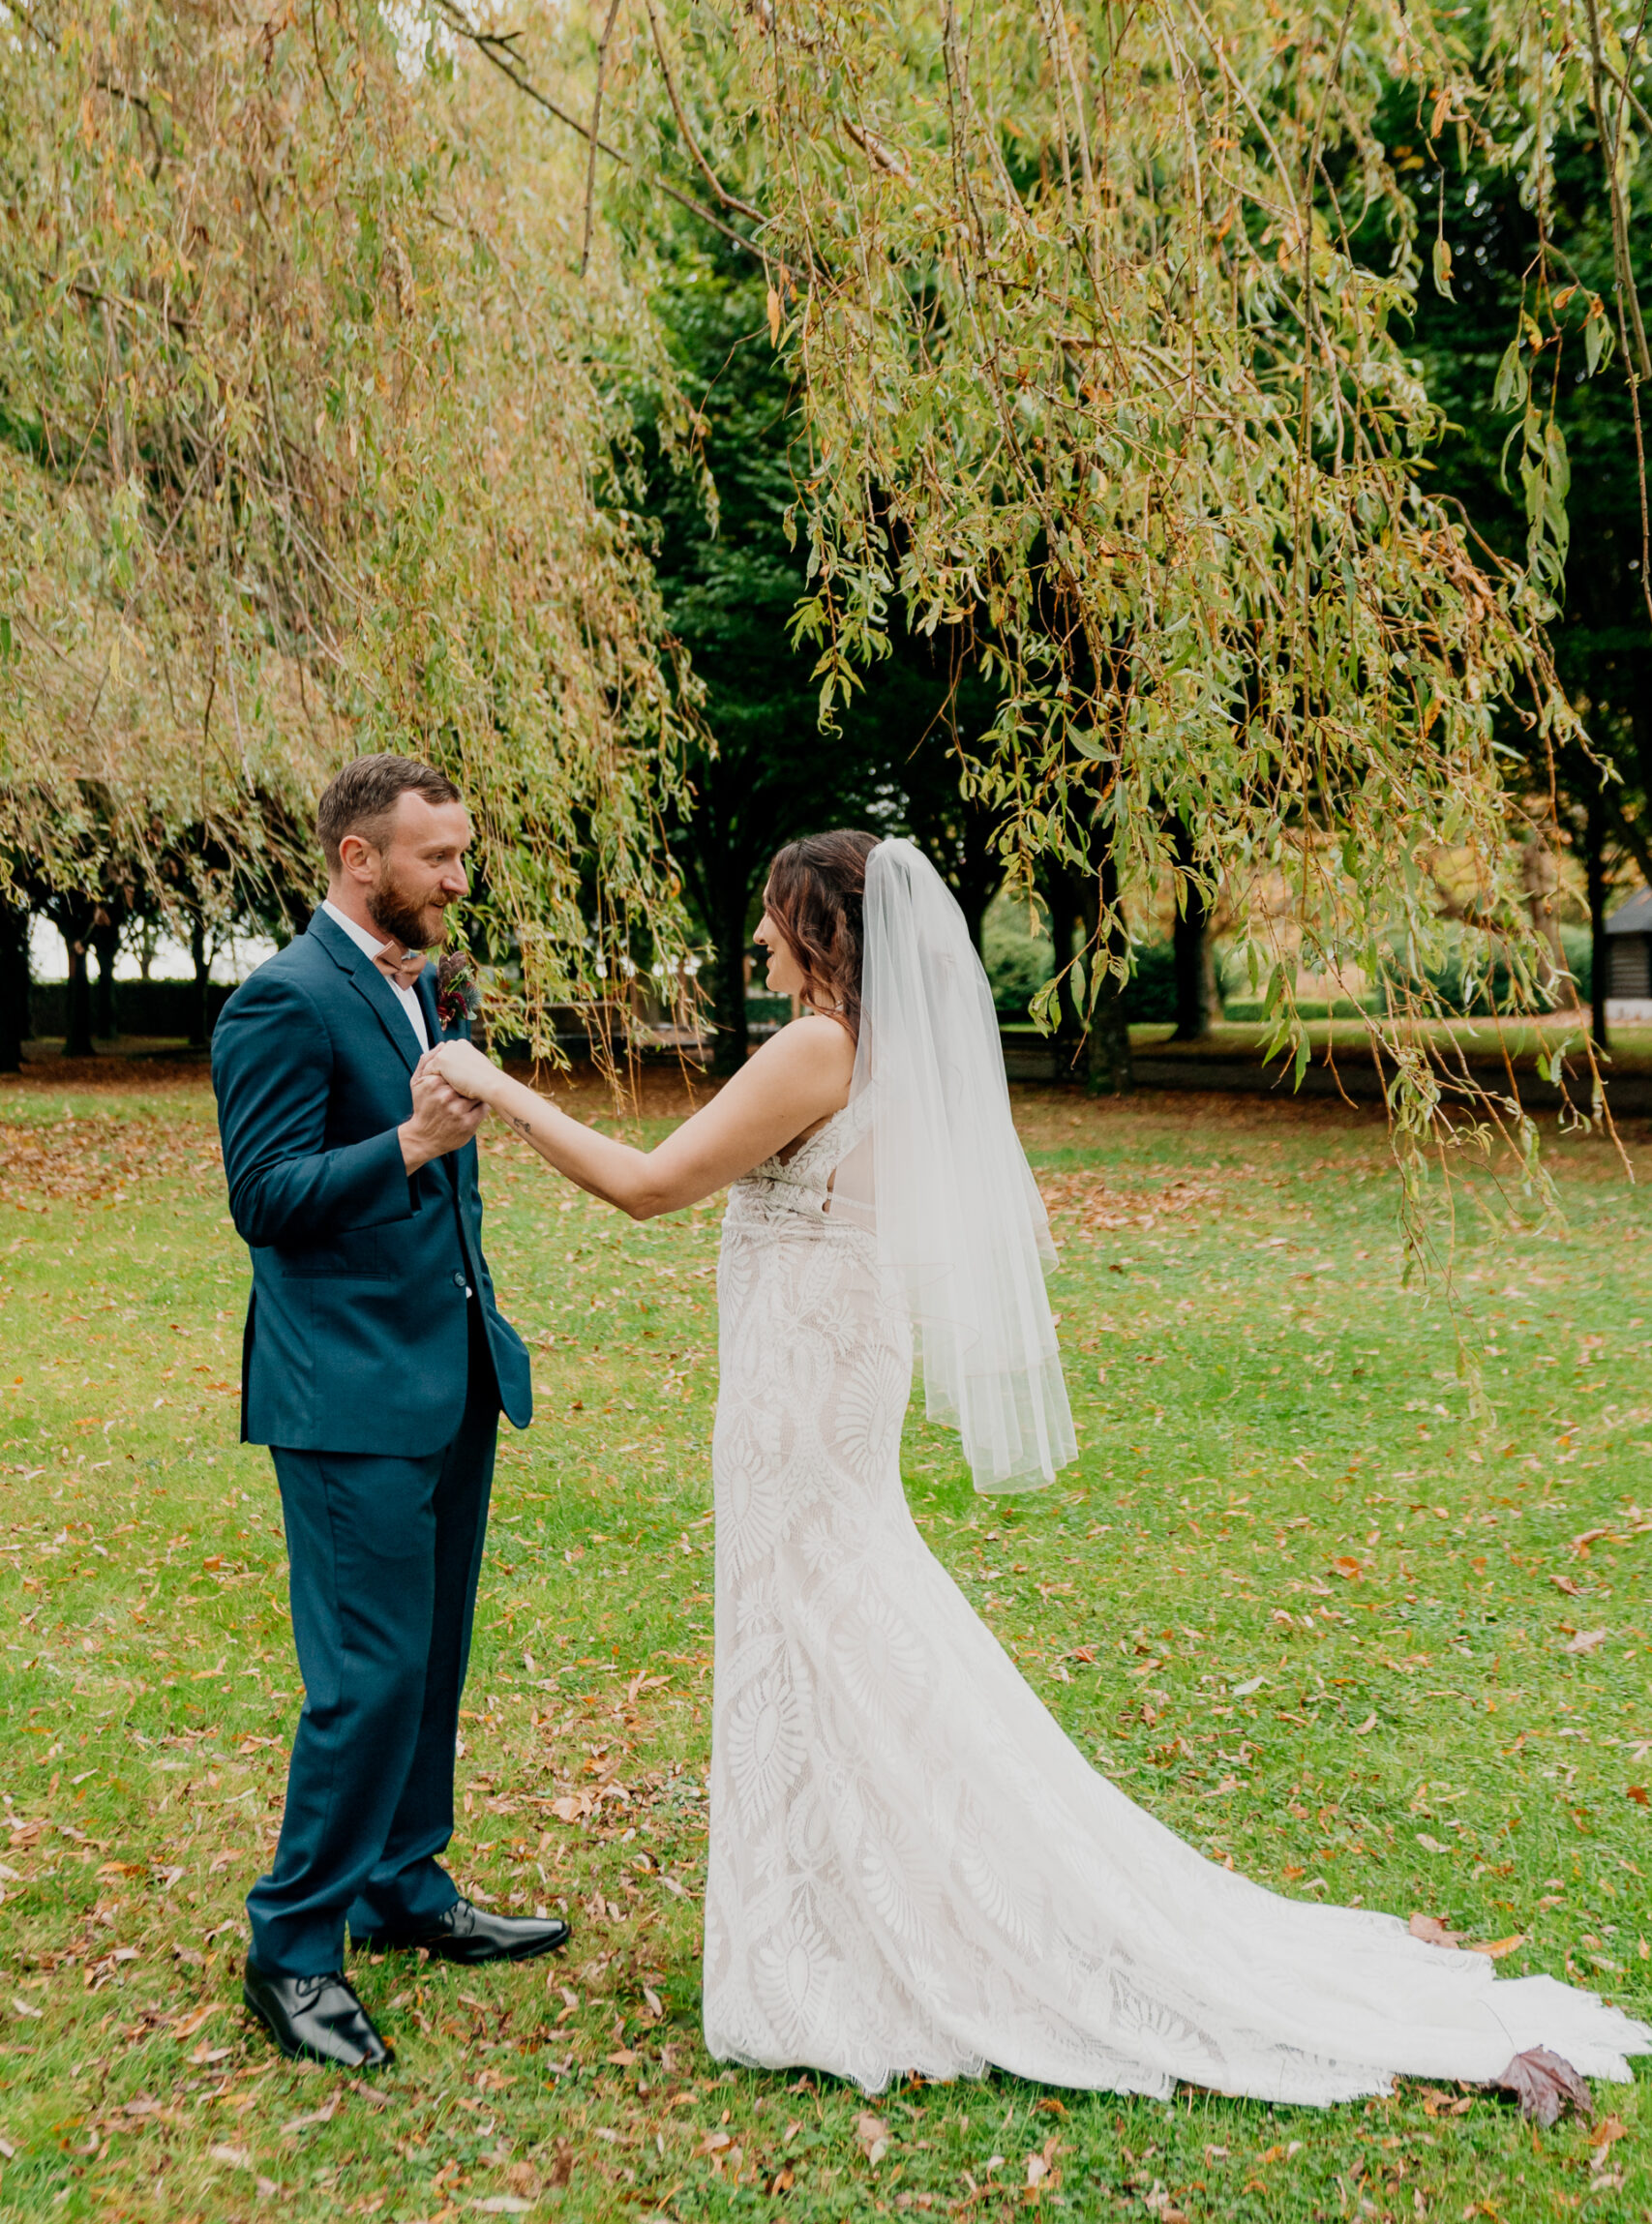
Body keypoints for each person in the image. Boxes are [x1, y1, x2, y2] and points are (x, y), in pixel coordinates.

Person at [426, 831, 1649, 2103]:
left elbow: (647, 1184)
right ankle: (830, 1915)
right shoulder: (887, 1056)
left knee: (821, 1622)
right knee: (828, 1622)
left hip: (804, 1379)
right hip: (829, 1357)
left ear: (817, 924)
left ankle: (856, 1930)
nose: (759, 942)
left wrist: (493, 1088)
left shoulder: (819, 1044)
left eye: (775, 919)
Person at [212, 753, 570, 2073]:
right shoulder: (281, 1003)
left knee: (431, 1659)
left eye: (463, 853)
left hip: (452, 1368)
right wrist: (411, 1146)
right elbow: (267, 1199)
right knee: (364, 1678)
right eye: (439, 857)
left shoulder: (437, 987)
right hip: (348, 1391)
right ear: (361, 860)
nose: (459, 879)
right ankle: (294, 1946)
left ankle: (405, 1886)